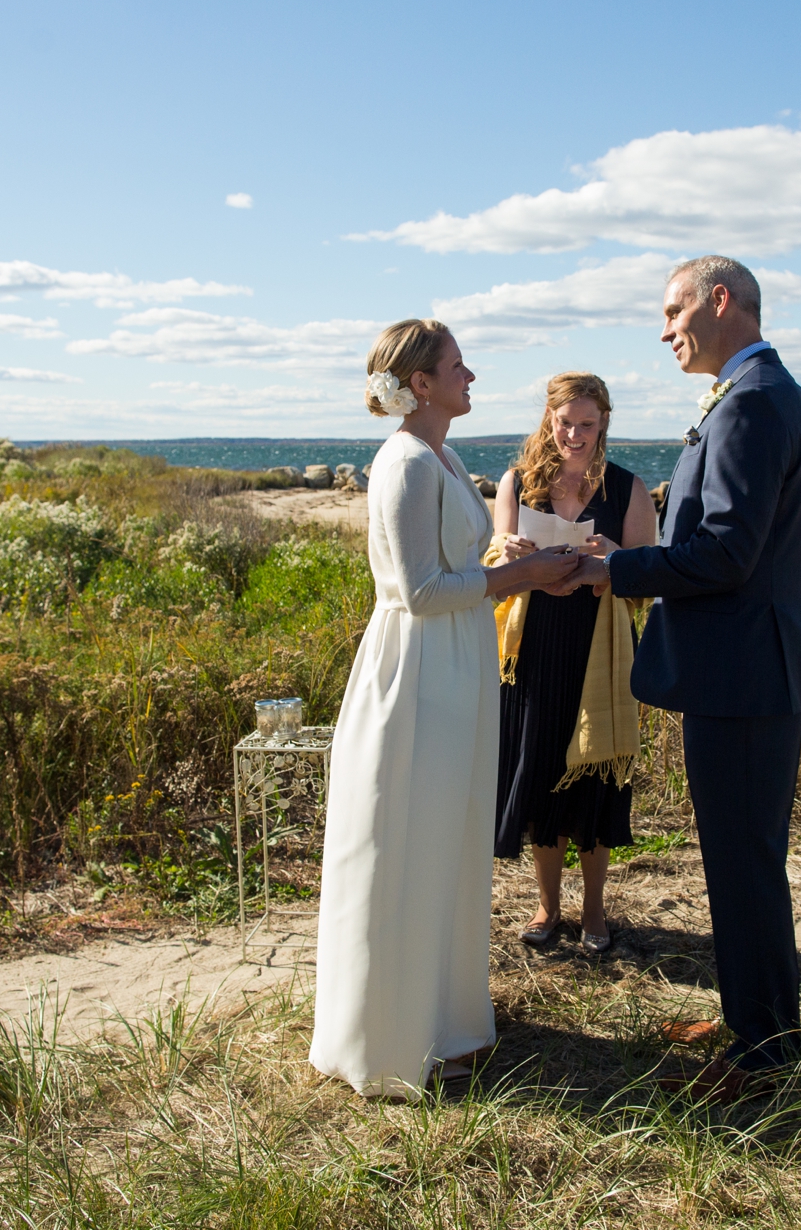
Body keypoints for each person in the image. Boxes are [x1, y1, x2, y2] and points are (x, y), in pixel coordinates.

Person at [556, 256, 801, 1101]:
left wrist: (622, 571)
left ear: (723, 302)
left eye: (674, 309)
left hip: (744, 676)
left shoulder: (751, 402)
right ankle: (754, 1020)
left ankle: (762, 1058)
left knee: (746, 864)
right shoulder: (756, 393)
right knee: (739, 860)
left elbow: (728, 553)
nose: (665, 327)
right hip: (744, 671)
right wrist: (630, 555)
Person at [308, 319, 581, 1100]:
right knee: (408, 838)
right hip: (418, 669)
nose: (472, 376)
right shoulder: (402, 464)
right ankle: (392, 1035)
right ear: (420, 383)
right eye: (458, 366)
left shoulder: (447, 455)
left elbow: (462, 562)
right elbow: (419, 591)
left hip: (458, 662)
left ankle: (441, 1018)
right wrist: (525, 580)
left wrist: (523, 561)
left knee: (447, 837)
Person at [488, 373, 659, 954]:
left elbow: (647, 584)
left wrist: (617, 561)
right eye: (565, 422)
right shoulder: (517, 483)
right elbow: (493, 564)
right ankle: (546, 905)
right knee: (538, 775)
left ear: (604, 422)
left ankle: (593, 911)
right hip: (532, 651)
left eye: (587, 423)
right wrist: (506, 552)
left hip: (599, 652)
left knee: (591, 778)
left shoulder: (628, 490)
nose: (575, 434)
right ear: (548, 418)